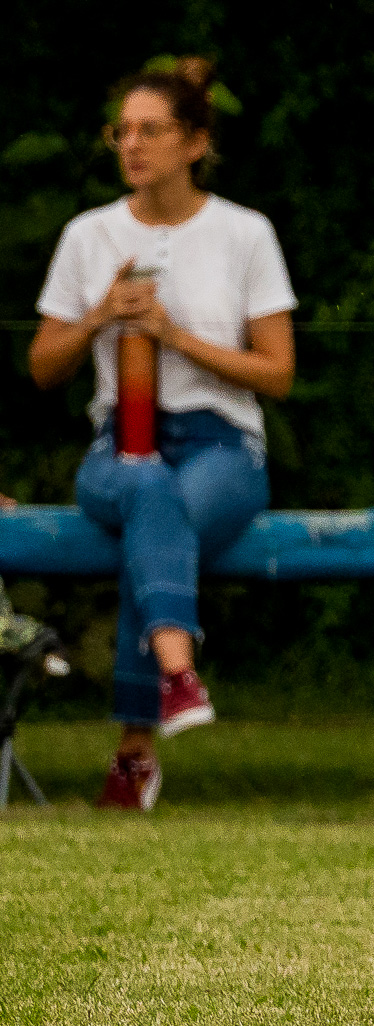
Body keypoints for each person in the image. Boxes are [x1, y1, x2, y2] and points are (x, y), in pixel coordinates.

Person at [27, 57, 297, 811]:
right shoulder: (89, 236)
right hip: (118, 446)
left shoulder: (246, 234)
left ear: (195, 143)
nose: (132, 145)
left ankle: (135, 753)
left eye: (152, 130)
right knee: (147, 487)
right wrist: (99, 316)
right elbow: (43, 366)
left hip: (224, 449)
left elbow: (277, 374)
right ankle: (178, 677)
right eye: (123, 131)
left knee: (159, 512)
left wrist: (175, 337)